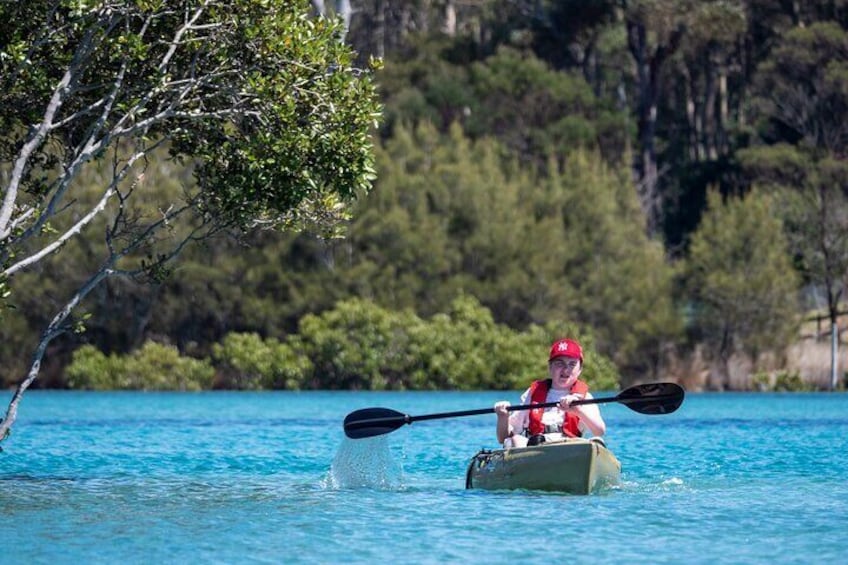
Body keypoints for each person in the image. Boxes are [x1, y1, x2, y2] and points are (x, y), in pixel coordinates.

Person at [494, 338, 606, 447]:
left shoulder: (584, 397)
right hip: (536, 448)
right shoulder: (533, 393)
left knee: (596, 441)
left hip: (569, 447)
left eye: (572, 364)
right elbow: (503, 438)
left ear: (580, 369)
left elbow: (599, 431)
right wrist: (502, 417)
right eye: (559, 363)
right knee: (515, 440)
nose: (566, 370)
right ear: (550, 367)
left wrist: (578, 410)